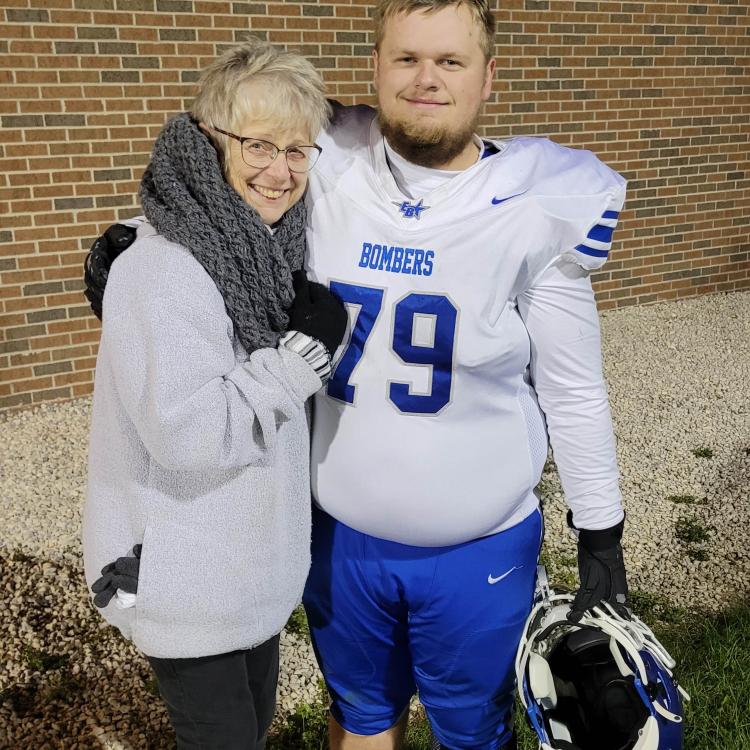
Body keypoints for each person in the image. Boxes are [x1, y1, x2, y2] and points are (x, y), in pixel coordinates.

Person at [85, 2, 630, 749]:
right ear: (375, 66)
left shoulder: (539, 202)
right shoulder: (327, 160)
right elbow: (226, 192)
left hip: (478, 549)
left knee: (472, 730)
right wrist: (138, 236)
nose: (426, 79)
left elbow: (573, 385)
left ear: (489, 75)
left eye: (450, 61)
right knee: (362, 720)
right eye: (406, 58)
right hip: (338, 539)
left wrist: (601, 529)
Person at [82, 39, 347, 750]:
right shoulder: (165, 270)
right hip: (184, 579)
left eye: (298, 150)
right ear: (208, 141)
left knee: (250, 729)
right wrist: (302, 357)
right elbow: (189, 436)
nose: (280, 170)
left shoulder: (266, 245)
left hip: (243, 575)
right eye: (259, 143)